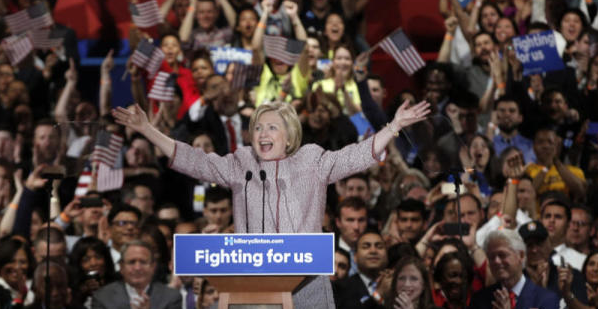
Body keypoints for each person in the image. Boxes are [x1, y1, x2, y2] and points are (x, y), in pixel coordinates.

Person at [113, 99, 430, 233]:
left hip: (305, 280)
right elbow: (194, 161)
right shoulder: (242, 162)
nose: (262, 134)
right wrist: (146, 130)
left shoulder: (313, 160)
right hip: (254, 282)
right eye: (258, 128)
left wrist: (393, 127)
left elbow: (355, 156)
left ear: (290, 134)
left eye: (272, 127)